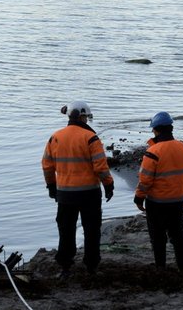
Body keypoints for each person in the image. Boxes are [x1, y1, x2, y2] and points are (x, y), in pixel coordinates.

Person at [41, 100, 114, 279]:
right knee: (91, 230)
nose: (87, 120)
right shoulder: (91, 138)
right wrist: (108, 185)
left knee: (65, 230)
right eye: (86, 117)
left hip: (65, 194)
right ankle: (91, 267)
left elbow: (47, 166)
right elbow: (100, 167)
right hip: (89, 194)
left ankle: (65, 267)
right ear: (81, 116)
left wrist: (51, 186)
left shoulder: (56, 137)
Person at [133, 111, 183, 272]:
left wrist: (138, 199)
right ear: (171, 128)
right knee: (178, 234)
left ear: (155, 130)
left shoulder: (153, 152)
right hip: (178, 200)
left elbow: (145, 180)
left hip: (157, 202)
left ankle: (160, 267)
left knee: (158, 236)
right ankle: (182, 267)